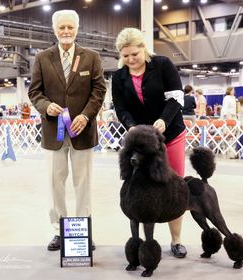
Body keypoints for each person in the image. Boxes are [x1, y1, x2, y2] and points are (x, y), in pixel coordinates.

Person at [28, 9, 106, 251]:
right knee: (55, 184)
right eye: (61, 27)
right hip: (54, 133)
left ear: (77, 29)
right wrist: (45, 106)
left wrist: (85, 115)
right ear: (54, 30)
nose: (66, 31)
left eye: (70, 27)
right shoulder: (42, 57)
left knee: (83, 183)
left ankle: (82, 230)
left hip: (83, 131)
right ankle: (59, 231)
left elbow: (99, 90)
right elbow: (34, 92)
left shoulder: (91, 57)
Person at [112, 27, 187, 258]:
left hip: (170, 135)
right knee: (138, 188)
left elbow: (176, 97)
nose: (130, 59)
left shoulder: (163, 64)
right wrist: (131, 126)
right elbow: (120, 107)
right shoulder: (118, 77)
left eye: (134, 54)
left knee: (175, 188)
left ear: (144, 49)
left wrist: (164, 120)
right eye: (125, 56)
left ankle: (176, 240)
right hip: (140, 143)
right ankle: (140, 241)